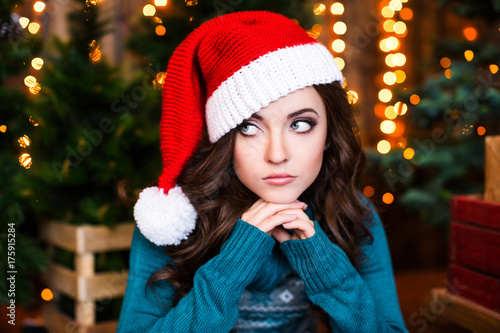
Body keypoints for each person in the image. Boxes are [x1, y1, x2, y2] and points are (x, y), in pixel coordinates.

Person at [117, 11, 409, 333]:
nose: (277, 154)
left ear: (329, 134)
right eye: (249, 127)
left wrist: (324, 264)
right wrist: (233, 263)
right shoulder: (174, 222)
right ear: (225, 139)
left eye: (300, 125)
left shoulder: (351, 212)